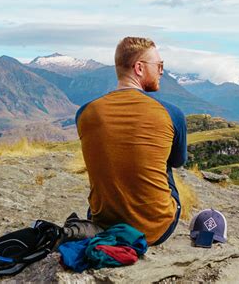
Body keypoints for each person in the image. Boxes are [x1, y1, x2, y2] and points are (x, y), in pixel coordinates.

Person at [75, 37, 187, 246]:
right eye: (159, 66)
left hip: (102, 224)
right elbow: (178, 161)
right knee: (165, 163)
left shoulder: (85, 112)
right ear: (139, 68)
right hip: (155, 230)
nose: (162, 71)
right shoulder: (172, 113)